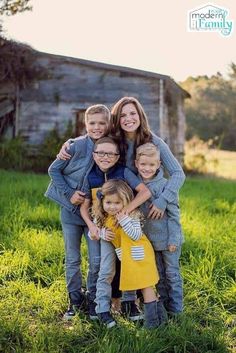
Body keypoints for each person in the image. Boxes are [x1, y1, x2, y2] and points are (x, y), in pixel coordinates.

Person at [58, 96, 185, 222]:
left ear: (140, 115)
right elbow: (92, 136)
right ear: (117, 119)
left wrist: (162, 201)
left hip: (149, 200)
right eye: (123, 115)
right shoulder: (112, 139)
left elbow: (178, 174)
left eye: (132, 113)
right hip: (117, 201)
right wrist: (70, 143)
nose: (128, 118)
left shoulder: (155, 142)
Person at [45, 104, 110, 321]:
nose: (97, 127)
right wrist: (69, 193)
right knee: (72, 258)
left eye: (102, 123)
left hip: (96, 215)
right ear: (85, 124)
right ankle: (74, 300)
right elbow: (53, 170)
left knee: (97, 259)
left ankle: (92, 299)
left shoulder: (110, 146)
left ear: (108, 124)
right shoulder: (75, 146)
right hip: (70, 212)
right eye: (92, 123)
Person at [80, 136, 151, 324]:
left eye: (110, 153)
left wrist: (125, 213)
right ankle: (101, 307)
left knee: (129, 266)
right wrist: (101, 232)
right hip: (107, 236)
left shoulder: (124, 172)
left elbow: (144, 192)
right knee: (104, 270)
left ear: (118, 156)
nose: (105, 156)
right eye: (100, 152)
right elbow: (91, 222)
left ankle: (129, 304)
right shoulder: (91, 176)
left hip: (126, 234)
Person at [89, 179, 167, 329]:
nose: (112, 207)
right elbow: (93, 234)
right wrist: (103, 234)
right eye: (108, 202)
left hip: (141, 256)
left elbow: (136, 235)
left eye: (117, 203)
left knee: (146, 286)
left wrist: (124, 220)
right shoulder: (103, 217)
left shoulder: (131, 215)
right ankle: (160, 320)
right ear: (102, 201)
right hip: (128, 258)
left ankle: (152, 324)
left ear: (125, 202)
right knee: (139, 285)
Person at [135, 143, 184, 315]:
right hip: (149, 242)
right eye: (143, 164)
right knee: (158, 277)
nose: (147, 168)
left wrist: (174, 240)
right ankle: (163, 307)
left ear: (159, 165)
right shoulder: (136, 186)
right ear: (136, 164)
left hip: (169, 240)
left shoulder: (165, 186)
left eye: (151, 164)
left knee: (172, 275)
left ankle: (176, 310)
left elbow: (174, 216)